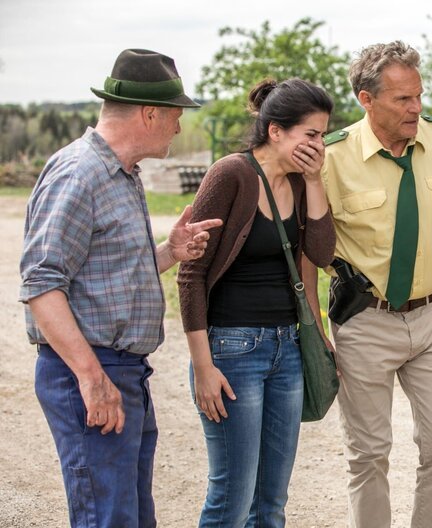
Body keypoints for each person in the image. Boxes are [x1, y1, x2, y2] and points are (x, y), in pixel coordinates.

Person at [19, 49, 222, 527]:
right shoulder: (80, 174)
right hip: (90, 368)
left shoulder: (121, 174)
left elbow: (105, 278)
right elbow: (42, 284)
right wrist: (92, 380)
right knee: (107, 518)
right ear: (150, 113)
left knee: (129, 516)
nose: (178, 126)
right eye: (175, 114)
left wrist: (170, 252)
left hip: (122, 370)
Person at [309, 40, 432, 528]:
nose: (416, 108)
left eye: (419, 96)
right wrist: (316, 328)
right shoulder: (332, 158)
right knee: (369, 454)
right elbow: (309, 251)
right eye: (403, 99)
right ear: (366, 99)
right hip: (365, 323)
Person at [177, 78, 335, 527]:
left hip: (287, 350)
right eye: (312, 134)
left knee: (271, 502)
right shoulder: (232, 175)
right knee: (232, 499)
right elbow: (191, 274)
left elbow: (322, 256)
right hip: (231, 351)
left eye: (323, 135)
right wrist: (203, 368)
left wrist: (315, 180)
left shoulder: (304, 183)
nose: (319, 144)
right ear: (276, 131)